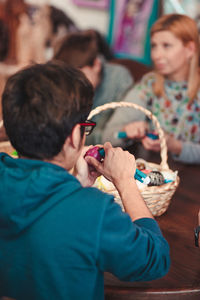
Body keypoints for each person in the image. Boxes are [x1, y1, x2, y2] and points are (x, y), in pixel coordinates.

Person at [0, 61, 170, 299]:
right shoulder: (94, 210)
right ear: (73, 136)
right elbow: (155, 259)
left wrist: (76, 185)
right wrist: (125, 182)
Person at [102, 13, 200, 164]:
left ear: (190, 49)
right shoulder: (148, 85)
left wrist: (176, 147)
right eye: (154, 46)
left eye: (166, 46)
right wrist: (126, 131)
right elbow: (108, 136)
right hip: (150, 180)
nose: (157, 55)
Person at [54, 30, 134, 145]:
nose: (74, 84)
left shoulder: (119, 79)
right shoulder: (63, 82)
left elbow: (112, 135)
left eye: (79, 76)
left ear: (96, 64)